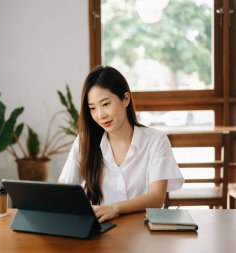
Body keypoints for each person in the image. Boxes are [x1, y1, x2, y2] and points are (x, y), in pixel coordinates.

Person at [58, 66, 184, 222]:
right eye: (92, 108)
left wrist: (114, 208)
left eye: (105, 104)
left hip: (143, 232)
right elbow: (63, 191)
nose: (100, 115)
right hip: (103, 232)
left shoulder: (156, 140)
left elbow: (156, 198)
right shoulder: (85, 141)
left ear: (126, 99)